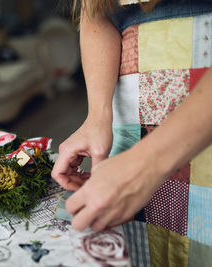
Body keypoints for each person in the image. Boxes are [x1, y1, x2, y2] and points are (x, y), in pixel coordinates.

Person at [52, 0, 212, 265]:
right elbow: (96, 12)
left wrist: (145, 163)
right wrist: (97, 115)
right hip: (132, 129)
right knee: (147, 246)